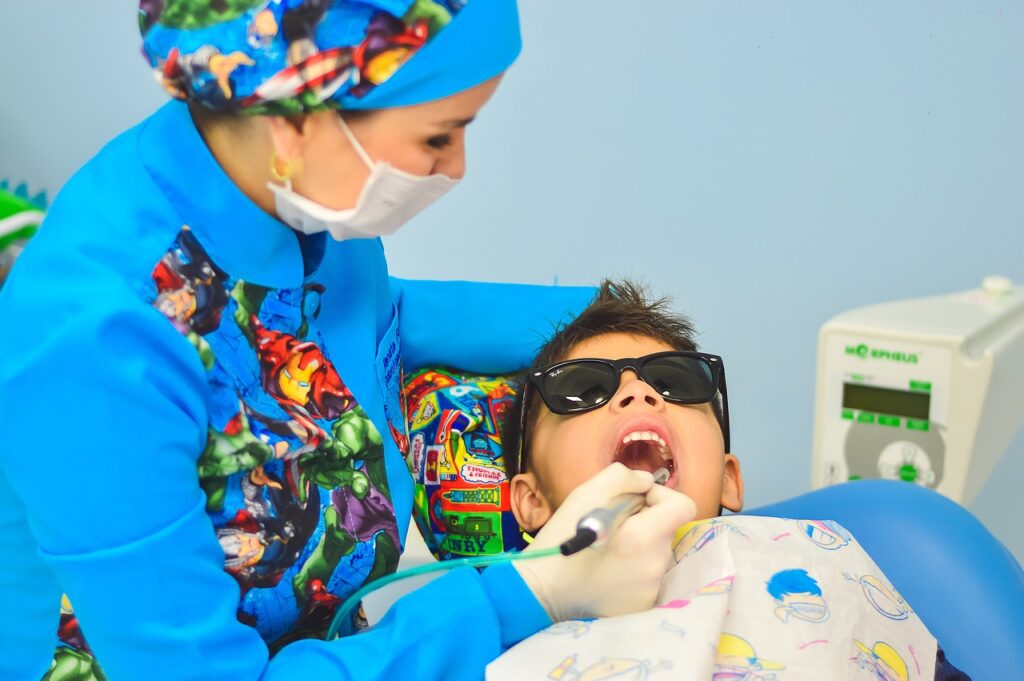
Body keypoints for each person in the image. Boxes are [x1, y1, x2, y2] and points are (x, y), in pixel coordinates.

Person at [0, 4, 692, 679]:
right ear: (297, 117)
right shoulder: (97, 348)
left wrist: (614, 325)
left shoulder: (287, 198)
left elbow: (349, 323)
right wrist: (532, 593)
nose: (456, 168)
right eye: (437, 137)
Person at [497, 280, 971, 680]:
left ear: (728, 479)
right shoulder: (497, 628)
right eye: (583, 391)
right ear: (532, 501)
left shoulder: (817, 561)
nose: (638, 392)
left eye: (674, 384)